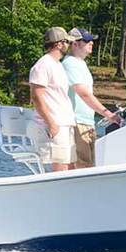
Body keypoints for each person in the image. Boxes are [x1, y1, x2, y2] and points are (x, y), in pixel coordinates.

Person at [62, 28, 120, 168]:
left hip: (87, 122)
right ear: (75, 44)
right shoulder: (70, 63)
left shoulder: (80, 63)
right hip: (77, 122)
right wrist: (108, 114)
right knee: (83, 165)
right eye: (87, 41)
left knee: (90, 164)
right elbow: (84, 93)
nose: (91, 43)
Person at [28, 27, 76, 172]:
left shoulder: (58, 65)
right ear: (59, 44)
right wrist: (51, 123)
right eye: (67, 42)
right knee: (60, 165)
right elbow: (36, 97)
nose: (69, 45)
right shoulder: (42, 65)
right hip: (54, 124)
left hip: (65, 123)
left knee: (70, 166)